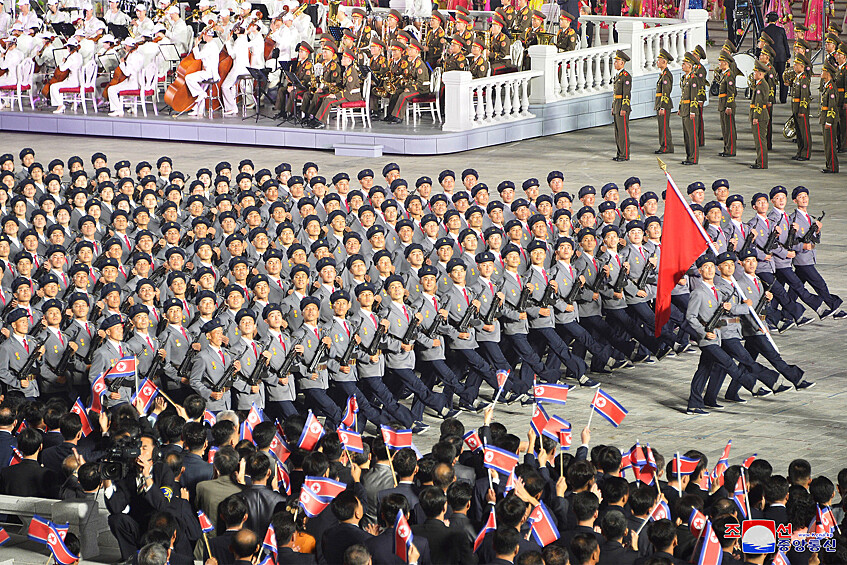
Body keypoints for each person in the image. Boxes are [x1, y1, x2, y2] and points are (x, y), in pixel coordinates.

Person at [717, 50, 739, 158]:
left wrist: (729, 105)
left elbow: (731, 92)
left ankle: (730, 150)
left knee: (729, 128)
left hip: (727, 104)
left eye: (720, 62)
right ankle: (726, 148)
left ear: (725, 63)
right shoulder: (724, 74)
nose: (719, 64)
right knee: (725, 128)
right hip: (722, 104)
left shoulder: (729, 75)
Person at [679, 52, 699, 165]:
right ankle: (688, 156)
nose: (683, 66)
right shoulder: (685, 78)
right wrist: (680, 108)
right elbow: (683, 95)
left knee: (692, 135)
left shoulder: (693, 79)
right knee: (686, 135)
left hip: (690, 110)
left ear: (690, 66)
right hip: (685, 109)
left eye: (684, 64)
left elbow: (694, 97)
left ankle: (693, 158)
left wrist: (692, 111)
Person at [611, 50, 632, 162]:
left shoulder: (626, 76)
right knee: (618, 132)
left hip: (622, 107)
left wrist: (624, 108)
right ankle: (620, 153)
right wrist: (613, 107)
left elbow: (626, 94)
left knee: (623, 132)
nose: (615, 63)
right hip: (617, 106)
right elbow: (615, 94)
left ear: (622, 63)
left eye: (617, 61)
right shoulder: (618, 75)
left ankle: (624, 154)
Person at [750, 60, 770, 169]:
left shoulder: (761, 86)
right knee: (759, 140)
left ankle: (762, 163)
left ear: (760, 74)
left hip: (760, 116)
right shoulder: (760, 85)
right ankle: (759, 161)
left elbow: (759, 102)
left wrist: (755, 117)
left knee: (760, 140)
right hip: (760, 115)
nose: (754, 74)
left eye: (755, 72)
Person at [820, 62, 840, 173]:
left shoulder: (831, 88)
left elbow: (832, 107)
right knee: (827, 144)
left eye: (823, 71)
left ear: (827, 73)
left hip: (829, 120)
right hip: (825, 118)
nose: (822, 73)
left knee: (830, 144)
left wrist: (829, 121)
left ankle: (833, 166)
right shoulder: (827, 86)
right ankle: (829, 165)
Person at [654, 49, 674, 155]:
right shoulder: (663, 74)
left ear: (664, 62)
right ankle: (664, 145)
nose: (657, 62)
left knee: (664, 126)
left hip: (664, 105)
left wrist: (662, 106)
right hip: (660, 104)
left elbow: (666, 92)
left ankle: (666, 146)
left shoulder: (666, 75)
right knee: (662, 126)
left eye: (659, 60)